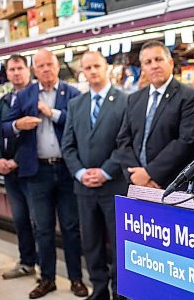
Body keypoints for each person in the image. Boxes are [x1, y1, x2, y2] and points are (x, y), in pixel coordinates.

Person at [2, 49, 87, 299]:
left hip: (66, 169)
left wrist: (53, 114)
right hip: (37, 171)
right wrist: (19, 125)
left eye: (49, 64)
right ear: (35, 69)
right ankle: (46, 278)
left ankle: (76, 278)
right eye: (40, 66)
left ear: (56, 65)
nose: (46, 69)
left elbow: (81, 124)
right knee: (43, 228)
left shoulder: (72, 93)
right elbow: (6, 126)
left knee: (71, 227)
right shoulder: (25, 94)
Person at [62, 51, 128, 300]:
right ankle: (98, 291)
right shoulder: (76, 104)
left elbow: (125, 144)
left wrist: (104, 171)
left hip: (114, 186)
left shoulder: (124, 101)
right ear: (82, 72)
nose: (92, 71)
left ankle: (119, 292)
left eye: (96, 66)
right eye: (87, 68)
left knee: (118, 243)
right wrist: (80, 173)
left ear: (107, 67)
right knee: (91, 243)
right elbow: (67, 145)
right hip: (84, 189)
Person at [117, 40, 194, 189]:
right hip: (139, 184)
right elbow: (123, 139)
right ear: (142, 67)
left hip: (175, 185)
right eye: (148, 62)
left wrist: (150, 173)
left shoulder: (189, 96)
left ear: (170, 62)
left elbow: (185, 141)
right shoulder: (134, 99)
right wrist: (136, 175)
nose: (154, 65)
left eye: (159, 59)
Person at [0, 54, 36, 279]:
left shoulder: (38, 98)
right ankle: (27, 261)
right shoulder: (4, 102)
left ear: (28, 70)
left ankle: (46, 269)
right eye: (12, 69)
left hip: (33, 171)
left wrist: (17, 160)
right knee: (20, 220)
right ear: (7, 73)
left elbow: (38, 136)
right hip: (9, 173)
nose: (16, 73)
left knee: (40, 221)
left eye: (20, 68)